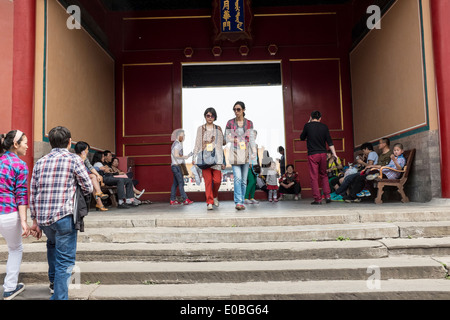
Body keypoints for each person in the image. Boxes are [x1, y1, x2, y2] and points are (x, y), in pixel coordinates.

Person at [30, 126, 93, 300]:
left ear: (50, 142)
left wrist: (34, 221)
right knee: (64, 261)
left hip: (44, 219)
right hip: (64, 217)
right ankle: (59, 297)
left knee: (52, 244)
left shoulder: (40, 162)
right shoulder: (73, 159)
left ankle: (53, 283)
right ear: (70, 142)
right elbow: (88, 187)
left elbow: (33, 192)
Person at [0, 130, 38, 300]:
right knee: (15, 249)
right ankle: (9, 288)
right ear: (15, 145)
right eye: (25, 142)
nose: (28, 146)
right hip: (8, 213)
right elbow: (21, 195)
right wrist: (24, 221)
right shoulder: (20, 165)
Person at [300, 110, 337, 205]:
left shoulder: (307, 126)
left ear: (311, 117)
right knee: (324, 175)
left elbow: (302, 138)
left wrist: (308, 123)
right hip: (323, 154)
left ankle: (318, 199)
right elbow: (330, 142)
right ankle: (327, 196)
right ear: (320, 118)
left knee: (314, 177)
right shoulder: (324, 127)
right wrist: (334, 154)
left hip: (313, 154)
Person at [225, 101, 257, 210]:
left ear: (243, 110)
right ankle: (238, 202)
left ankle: (242, 202)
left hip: (245, 153)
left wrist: (254, 152)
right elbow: (225, 137)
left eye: (238, 109)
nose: (236, 112)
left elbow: (251, 139)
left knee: (244, 181)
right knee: (237, 179)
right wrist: (232, 139)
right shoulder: (230, 123)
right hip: (234, 152)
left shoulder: (249, 123)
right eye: (234, 109)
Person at [192, 108, 225, 210]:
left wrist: (223, 161)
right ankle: (209, 202)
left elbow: (221, 145)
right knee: (208, 181)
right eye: (208, 116)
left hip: (216, 159)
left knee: (217, 181)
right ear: (205, 116)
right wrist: (194, 157)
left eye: (212, 116)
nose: (210, 118)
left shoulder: (218, 128)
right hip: (204, 158)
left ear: (215, 117)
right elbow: (197, 143)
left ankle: (215, 196)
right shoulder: (200, 129)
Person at [74, 142, 109, 212]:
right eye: (87, 149)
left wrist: (98, 175)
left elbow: (90, 167)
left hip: (83, 177)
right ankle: (99, 194)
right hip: (75, 177)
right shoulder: (74, 157)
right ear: (82, 150)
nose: (88, 151)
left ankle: (100, 203)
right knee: (93, 177)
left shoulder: (85, 158)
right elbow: (77, 169)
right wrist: (82, 159)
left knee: (93, 182)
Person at [170, 129, 194, 205]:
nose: (184, 137)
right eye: (182, 135)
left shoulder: (175, 143)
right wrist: (185, 157)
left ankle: (172, 200)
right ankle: (185, 199)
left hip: (174, 166)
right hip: (177, 167)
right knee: (181, 183)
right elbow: (176, 155)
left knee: (175, 184)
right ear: (178, 136)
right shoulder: (177, 144)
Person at [245, 130, 259, 205]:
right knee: (251, 181)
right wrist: (249, 163)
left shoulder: (256, 145)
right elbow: (246, 154)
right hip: (249, 166)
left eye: (255, 135)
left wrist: (258, 166)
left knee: (254, 182)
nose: (254, 137)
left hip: (255, 165)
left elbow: (257, 157)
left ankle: (252, 198)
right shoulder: (247, 144)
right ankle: (246, 197)